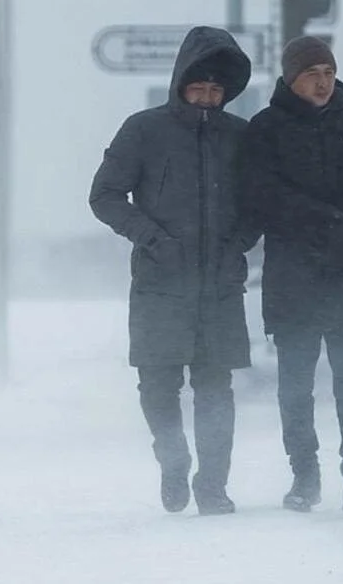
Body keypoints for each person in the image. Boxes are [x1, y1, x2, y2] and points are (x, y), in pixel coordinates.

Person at [90, 26, 259, 515]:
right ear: (180, 84)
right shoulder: (143, 130)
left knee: (216, 389)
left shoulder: (239, 137)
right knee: (157, 386)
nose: (207, 98)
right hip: (160, 284)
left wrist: (238, 245)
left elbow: (259, 204)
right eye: (198, 87)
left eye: (216, 90)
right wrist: (153, 239)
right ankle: (172, 458)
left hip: (220, 286)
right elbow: (104, 196)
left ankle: (213, 487)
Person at [244, 36, 343, 514]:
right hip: (295, 278)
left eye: (328, 72)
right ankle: (304, 478)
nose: (323, 81)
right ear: (291, 78)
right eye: (313, 73)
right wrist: (334, 226)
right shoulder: (266, 129)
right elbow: (267, 197)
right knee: (296, 385)